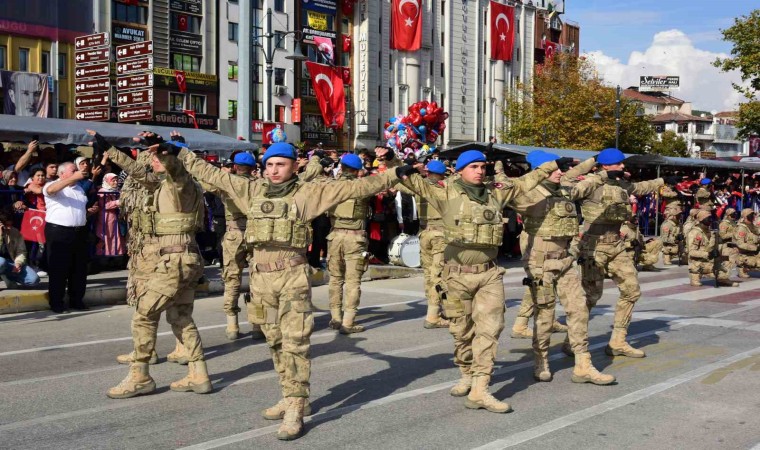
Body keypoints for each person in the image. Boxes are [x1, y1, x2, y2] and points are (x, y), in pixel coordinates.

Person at [161, 141, 408, 440]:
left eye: (281, 164)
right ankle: (288, 393)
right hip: (261, 279)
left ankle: (295, 405)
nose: (274, 170)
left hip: (291, 276)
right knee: (273, 339)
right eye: (269, 164)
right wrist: (179, 152)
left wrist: (396, 170)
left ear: (294, 166)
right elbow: (211, 173)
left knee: (295, 342)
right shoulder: (251, 190)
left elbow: (359, 188)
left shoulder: (309, 192)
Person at [400, 149, 561, 413]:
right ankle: (466, 372)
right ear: (460, 170)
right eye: (473, 166)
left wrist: (552, 165)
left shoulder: (496, 193)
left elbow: (524, 182)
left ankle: (480, 388)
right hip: (456, 275)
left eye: (482, 166)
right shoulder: (446, 193)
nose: (479, 170)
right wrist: (400, 166)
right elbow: (413, 182)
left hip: (489, 274)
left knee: (490, 329)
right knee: (461, 332)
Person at [88, 130, 210, 400]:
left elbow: (176, 168)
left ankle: (140, 375)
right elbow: (138, 171)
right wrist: (111, 147)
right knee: (180, 316)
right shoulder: (163, 184)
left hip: (175, 259)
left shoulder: (181, 183)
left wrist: (165, 150)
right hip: (181, 258)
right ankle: (198, 373)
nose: (151, 160)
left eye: (157, 156)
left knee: (144, 313)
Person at [510, 151, 614, 385]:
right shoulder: (529, 194)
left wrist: (601, 167)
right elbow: (510, 193)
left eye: (559, 168)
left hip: (566, 260)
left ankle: (583, 364)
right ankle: (541, 359)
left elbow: (582, 182)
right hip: (541, 263)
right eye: (554, 168)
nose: (560, 172)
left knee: (578, 309)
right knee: (545, 313)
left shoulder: (565, 190)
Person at [577, 148, 672, 358]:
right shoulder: (592, 182)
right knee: (590, 296)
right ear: (605, 165)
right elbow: (570, 188)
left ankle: (617, 342)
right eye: (618, 164)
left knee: (631, 291)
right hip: (594, 246)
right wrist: (600, 175)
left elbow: (639, 188)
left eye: (622, 163)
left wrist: (661, 181)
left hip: (617, 245)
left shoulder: (621, 183)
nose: (622, 167)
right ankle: (574, 343)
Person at [217, 151, 264, 341]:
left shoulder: (227, 183)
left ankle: (232, 325)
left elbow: (205, 181)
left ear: (235, 167)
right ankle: (258, 326)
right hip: (256, 233)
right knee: (259, 280)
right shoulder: (260, 185)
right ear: (253, 169)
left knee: (232, 279)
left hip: (233, 233)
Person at [326, 153, 373, 334]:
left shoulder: (331, 186)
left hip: (335, 236)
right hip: (355, 238)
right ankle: (348, 322)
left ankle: (335, 317)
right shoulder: (362, 186)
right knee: (353, 281)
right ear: (357, 170)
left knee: (335, 279)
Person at [42, 161, 89, 313]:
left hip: (78, 231)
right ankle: (57, 302)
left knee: (79, 268)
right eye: (73, 170)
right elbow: (50, 190)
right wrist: (71, 178)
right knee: (58, 269)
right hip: (59, 232)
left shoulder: (80, 189)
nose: (78, 171)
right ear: (62, 174)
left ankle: (76, 300)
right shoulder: (54, 185)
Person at [687, 209, 738, 287]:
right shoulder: (694, 233)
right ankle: (695, 277)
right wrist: (708, 254)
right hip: (698, 263)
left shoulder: (710, 232)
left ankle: (722, 279)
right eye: (708, 218)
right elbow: (691, 252)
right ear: (702, 219)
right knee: (698, 272)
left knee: (725, 269)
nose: (710, 220)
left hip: (710, 261)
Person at [0, 207, 40, 288]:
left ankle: (7, 277)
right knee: (1, 262)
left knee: (33, 280)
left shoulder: (15, 232)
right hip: (1, 262)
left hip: (10, 263)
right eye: (7, 225)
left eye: (11, 225)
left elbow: (21, 251)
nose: (9, 228)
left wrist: (18, 263)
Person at [94, 173, 125, 256]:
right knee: (107, 236)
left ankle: (116, 255)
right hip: (106, 217)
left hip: (114, 216)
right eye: (113, 181)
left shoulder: (116, 190)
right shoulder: (102, 191)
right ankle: (106, 255)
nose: (115, 182)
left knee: (116, 235)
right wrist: (118, 202)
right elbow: (105, 205)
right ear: (107, 181)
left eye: (116, 180)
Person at [734, 208, 759, 279]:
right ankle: (743, 268)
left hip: (754, 252)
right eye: (751, 215)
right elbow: (740, 244)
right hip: (744, 254)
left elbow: (758, 232)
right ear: (745, 216)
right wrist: (755, 248)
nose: (753, 216)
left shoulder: (751, 225)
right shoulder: (741, 228)